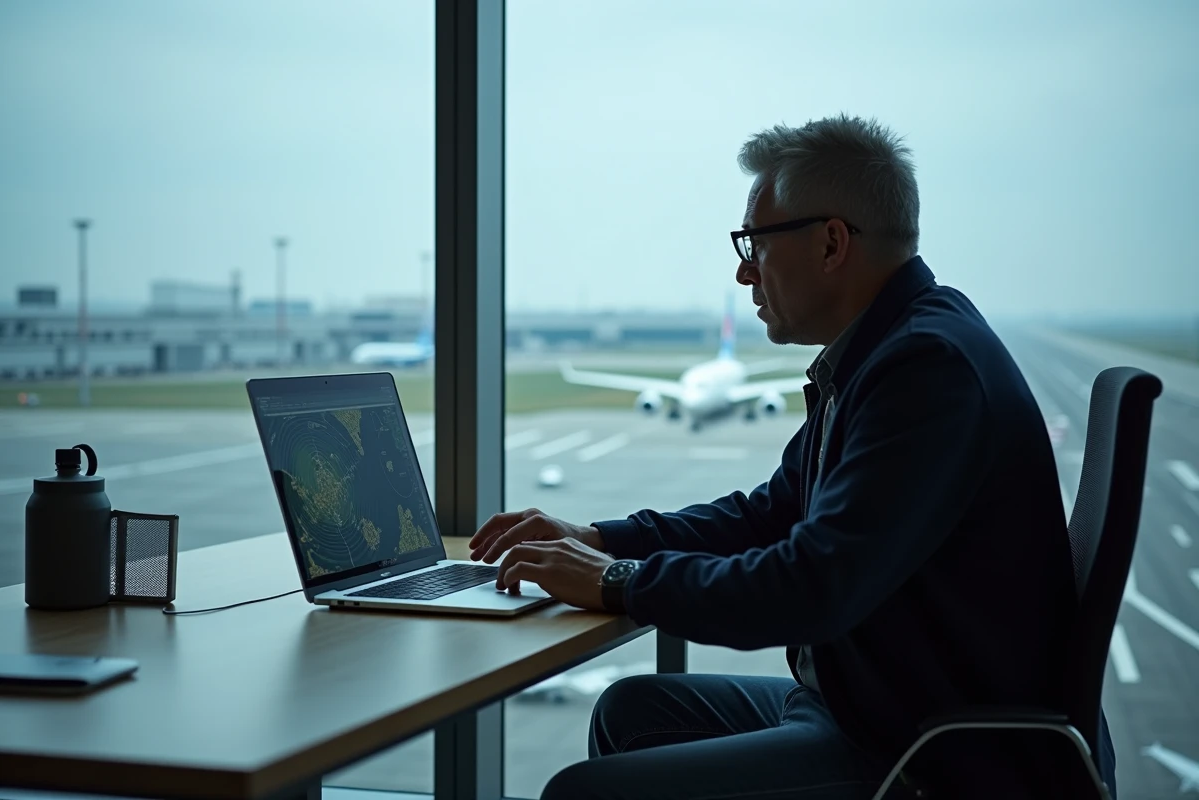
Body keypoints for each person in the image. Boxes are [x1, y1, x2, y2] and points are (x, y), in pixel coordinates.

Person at [469, 114, 1117, 800]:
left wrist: (618, 580)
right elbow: (771, 516)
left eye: (754, 243)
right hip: (871, 707)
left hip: (927, 752)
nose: (745, 270)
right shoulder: (887, 352)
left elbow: (813, 587)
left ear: (832, 243)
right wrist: (597, 539)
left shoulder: (927, 370)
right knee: (632, 713)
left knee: (583, 792)